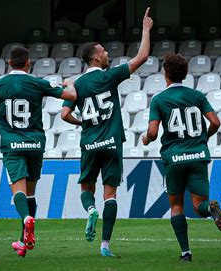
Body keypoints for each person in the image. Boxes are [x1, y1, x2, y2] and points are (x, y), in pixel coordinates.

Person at [60, 7, 153, 257]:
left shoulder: (77, 84)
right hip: (112, 143)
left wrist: (83, 123)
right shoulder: (110, 76)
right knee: (110, 194)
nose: (107, 53)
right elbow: (142, 56)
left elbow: (64, 114)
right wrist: (145, 29)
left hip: (89, 143)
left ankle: (91, 211)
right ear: (95, 59)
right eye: (103, 51)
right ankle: (105, 245)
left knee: (86, 190)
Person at [0, 47, 77, 257]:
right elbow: (71, 95)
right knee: (31, 194)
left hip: (13, 146)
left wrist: (4, 128)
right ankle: (23, 242)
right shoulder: (37, 83)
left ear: (9, 63)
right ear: (28, 63)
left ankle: (26, 220)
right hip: (36, 144)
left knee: (19, 192)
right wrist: (70, 84)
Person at [142, 53, 221, 263]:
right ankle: (211, 209)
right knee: (200, 206)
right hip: (198, 156)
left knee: (177, 206)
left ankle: (186, 253)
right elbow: (215, 122)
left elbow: (153, 133)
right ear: (185, 74)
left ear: (166, 74)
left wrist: (146, 138)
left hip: (174, 159)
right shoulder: (196, 95)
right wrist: (202, 139)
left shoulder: (159, 100)